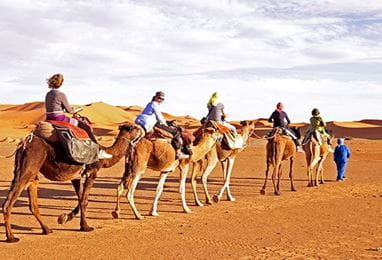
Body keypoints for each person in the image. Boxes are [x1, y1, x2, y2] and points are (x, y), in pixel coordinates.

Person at [44, 73, 112, 159]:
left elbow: (53, 107)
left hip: (49, 117)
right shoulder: (61, 94)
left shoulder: (48, 94)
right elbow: (69, 110)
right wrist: (74, 110)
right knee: (84, 126)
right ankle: (99, 151)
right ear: (61, 83)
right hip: (59, 118)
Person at [135, 91, 188, 159]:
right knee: (175, 132)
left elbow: (154, 116)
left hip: (141, 121)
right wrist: (166, 125)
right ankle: (178, 152)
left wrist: (167, 122)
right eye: (159, 98)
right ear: (155, 97)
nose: (160, 100)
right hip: (149, 123)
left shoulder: (150, 104)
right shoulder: (155, 104)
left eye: (162, 99)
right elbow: (159, 117)